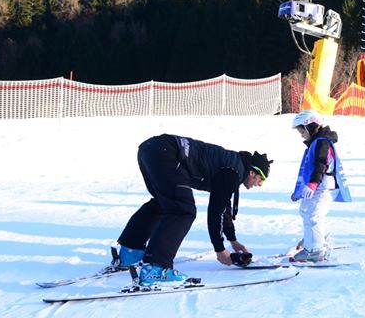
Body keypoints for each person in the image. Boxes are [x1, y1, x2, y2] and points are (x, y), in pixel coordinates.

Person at [115, 135, 271, 286]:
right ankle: (156, 268)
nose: (260, 184)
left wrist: (232, 240)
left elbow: (224, 208)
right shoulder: (232, 172)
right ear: (252, 172)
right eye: (260, 179)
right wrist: (220, 250)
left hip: (151, 149)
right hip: (166, 152)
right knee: (183, 210)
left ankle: (130, 252)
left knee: (164, 204)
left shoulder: (234, 166)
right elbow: (215, 211)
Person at [290, 110, 351, 262]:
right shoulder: (317, 142)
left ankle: (315, 249)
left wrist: (312, 184)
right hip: (319, 185)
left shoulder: (322, 142)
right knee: (306, 210)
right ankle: (312, 238)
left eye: (301, 131)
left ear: (310, 127)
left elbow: (321, 164)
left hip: (323, 187)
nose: (301, 135)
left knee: (313, 214)